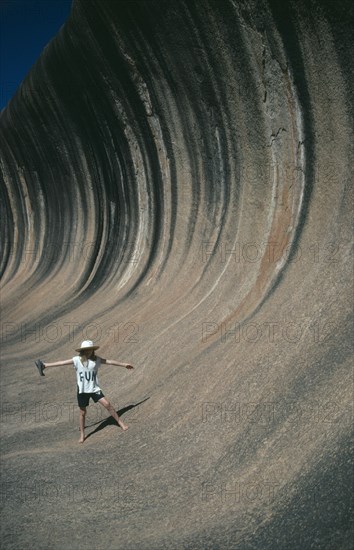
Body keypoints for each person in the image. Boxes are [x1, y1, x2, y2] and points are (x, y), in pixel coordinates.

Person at [35, 340, 134, 443]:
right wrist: (45, 365)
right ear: (82, 351)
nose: (88, 352)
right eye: (86, 350)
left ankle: (121, 423)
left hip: (94, 389)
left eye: (90, 350)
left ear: (93, 350)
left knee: (108, 404)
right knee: (82, 412)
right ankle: (82, 434)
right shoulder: (77, 360)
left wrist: (124, 364)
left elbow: (109, 361)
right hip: (82, 390)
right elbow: (61, 363)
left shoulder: (96, 360)